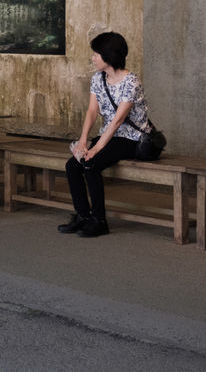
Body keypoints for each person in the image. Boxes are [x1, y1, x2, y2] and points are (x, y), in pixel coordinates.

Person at [58, 32, 151, 238]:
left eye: (96, 54)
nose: (93, 57)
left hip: (131, 139)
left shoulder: (131, 82)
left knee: (91, 163)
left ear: (108, 56)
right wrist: (83, 142)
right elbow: (92, 111)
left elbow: (118, 120)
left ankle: (99, 220)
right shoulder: (98, 79)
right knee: (73, 165)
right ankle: (82, 216)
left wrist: (96, 148)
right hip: (109, 135)